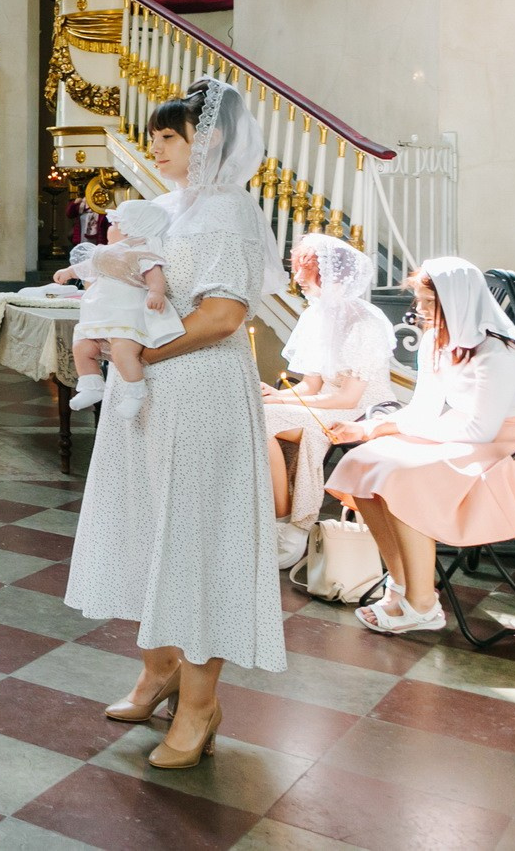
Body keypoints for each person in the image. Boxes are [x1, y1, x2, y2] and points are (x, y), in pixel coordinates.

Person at [65, 77, 287, 771]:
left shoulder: (229, 212)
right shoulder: (166, 207)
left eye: (168, 135)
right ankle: (157, 669)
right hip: (150, 394)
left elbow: (224, 314)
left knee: (196, 540)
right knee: (147, 525)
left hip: (203, 391)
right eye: (157, 134)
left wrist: (144, 347)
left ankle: (199, 704)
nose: (154, 146)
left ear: (209, 138)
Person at [325, 258, 515, 635]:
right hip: (459, 436)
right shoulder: (434, 341)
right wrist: (372, 430)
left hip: (507, 449)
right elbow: (424, 409)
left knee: (403, 475)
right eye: (420, 302)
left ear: (458, 301)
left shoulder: (501, 350)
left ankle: (424, 604)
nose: (421, 312)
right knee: (362, 462)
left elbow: (480, 429)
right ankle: (402, 583)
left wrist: (388, 431)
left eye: (429, 303)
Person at [262, 233, 400, 567]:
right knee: (257, 411)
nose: (297, 279)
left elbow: (349, 396)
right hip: (328, 401)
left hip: (364, 408)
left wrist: (279, 405)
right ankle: (272, 517)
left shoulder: (365, 322)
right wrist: (276, 395)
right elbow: (310, 387)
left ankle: (290, 527)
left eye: (302, 271)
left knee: (262, 420)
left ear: (328, 274)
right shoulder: (315, 315)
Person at [52, 199, 183, 414]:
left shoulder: (141, 253)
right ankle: (91, 384)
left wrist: (156, 292)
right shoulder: (105, 253)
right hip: (100, 316)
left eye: (113, 224)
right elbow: (88, 266)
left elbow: (153, 274)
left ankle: (135, 392)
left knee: (123, 351)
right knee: (82, 347)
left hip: (125, 317)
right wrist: (69, 272)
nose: (109, 229)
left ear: (130, 230)